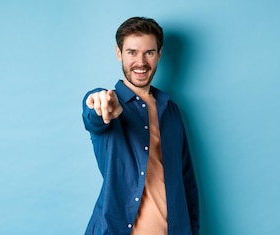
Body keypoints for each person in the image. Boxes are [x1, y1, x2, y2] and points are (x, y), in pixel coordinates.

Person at [82, 17, 199, 235]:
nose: (141, 62)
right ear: (119, 53)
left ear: (159, 54)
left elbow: (187, 182)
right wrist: (97, 104)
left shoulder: (172, 111)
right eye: (132, 52)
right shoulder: (109, 103)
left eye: (149, 53)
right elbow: (94, 115)